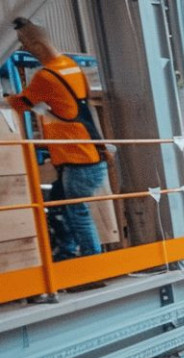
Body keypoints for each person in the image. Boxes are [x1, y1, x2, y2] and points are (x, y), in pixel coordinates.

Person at [9, 19, 109, 264]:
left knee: (75, 212)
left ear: (37, 44)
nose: (24, 49)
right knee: (59, 204)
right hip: (90, 153)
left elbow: (21, 105)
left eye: (25, 44)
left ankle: (90, 263)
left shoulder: (46, 76)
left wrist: (6, 98)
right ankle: (67, 255)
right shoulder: (71, 66)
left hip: (77, 159)